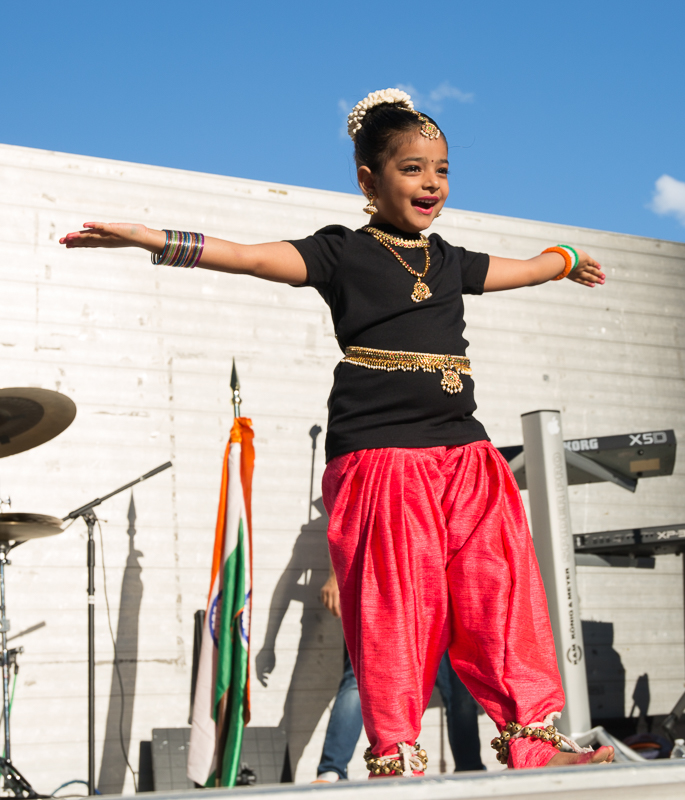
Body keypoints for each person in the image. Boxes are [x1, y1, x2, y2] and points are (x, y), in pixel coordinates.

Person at [60, 87, 614, 774]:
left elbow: (525, 270)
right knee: (397, 608)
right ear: (367, 181)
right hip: (383, 454)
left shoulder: (449, 260)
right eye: (412, 169)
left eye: (441, 170)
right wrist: (155, 239)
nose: (431, 183)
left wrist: (566, 258)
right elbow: (249, 256)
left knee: (498, 590)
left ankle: (534, 741)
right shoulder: (342, 253)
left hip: (465, 451)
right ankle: (396, 753)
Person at [315, 567, 483, 782]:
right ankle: (332, 770)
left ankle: (470, 770)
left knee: (458, 686)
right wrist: (334, 576)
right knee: (359, 678)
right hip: (383, 581)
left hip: (437, 583)